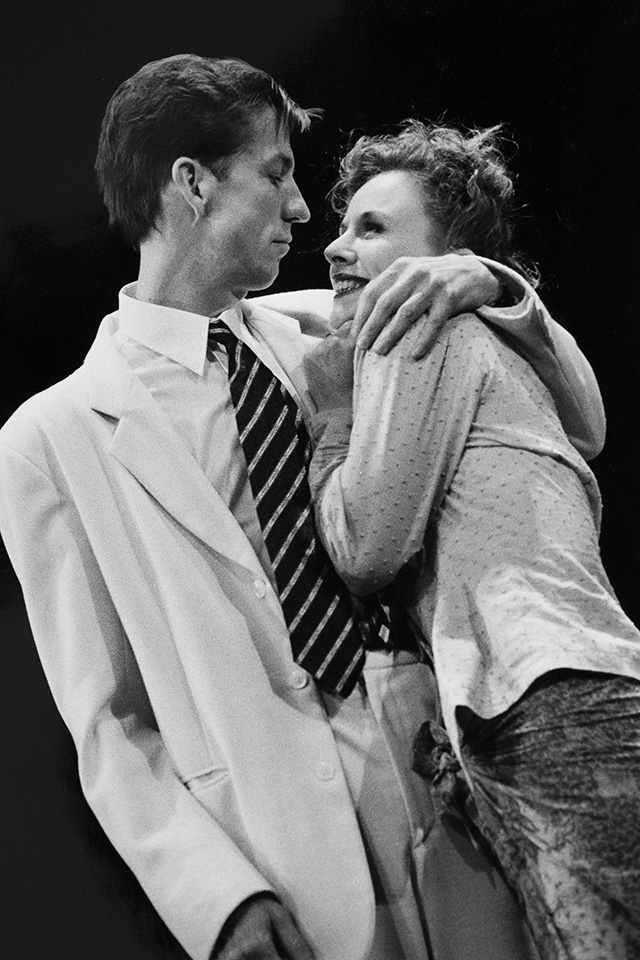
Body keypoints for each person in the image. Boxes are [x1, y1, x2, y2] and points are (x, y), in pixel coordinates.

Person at [0, 54, 604, 960]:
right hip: (279, 822)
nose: (301, 210)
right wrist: (216, 897)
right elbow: (107, 721)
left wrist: (492, 282)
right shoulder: (49, 437)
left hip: (448, 761)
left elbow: (583, 423)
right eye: (277, 173)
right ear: (192, 183)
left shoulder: (336, 318)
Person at [304, 120, 640, 960]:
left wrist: (335, 417)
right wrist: (493, 281)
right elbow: (594, 427)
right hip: (565, 693)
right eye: (344, 226)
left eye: (372, 229)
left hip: (548, 696)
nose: (337, 248)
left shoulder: (422, 325)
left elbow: (366, 546)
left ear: (438, 256)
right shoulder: (488, 331)